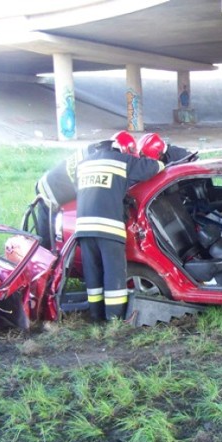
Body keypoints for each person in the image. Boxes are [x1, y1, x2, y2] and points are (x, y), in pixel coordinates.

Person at [75, 131, 165, 321]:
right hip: (109, 229)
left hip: (83, 229)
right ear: (124, 150)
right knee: (113, 275)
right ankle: (115, 320)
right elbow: (154, 167)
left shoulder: (84, 164)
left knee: (93, 276)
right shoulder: (122, 161)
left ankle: (96, 317)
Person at [33, 139, 116, 250]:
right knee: (46, 242)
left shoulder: (93, 149)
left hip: (50, 180)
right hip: (50, 191)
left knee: (50, 233)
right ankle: (40, 259)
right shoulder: (100, 162)